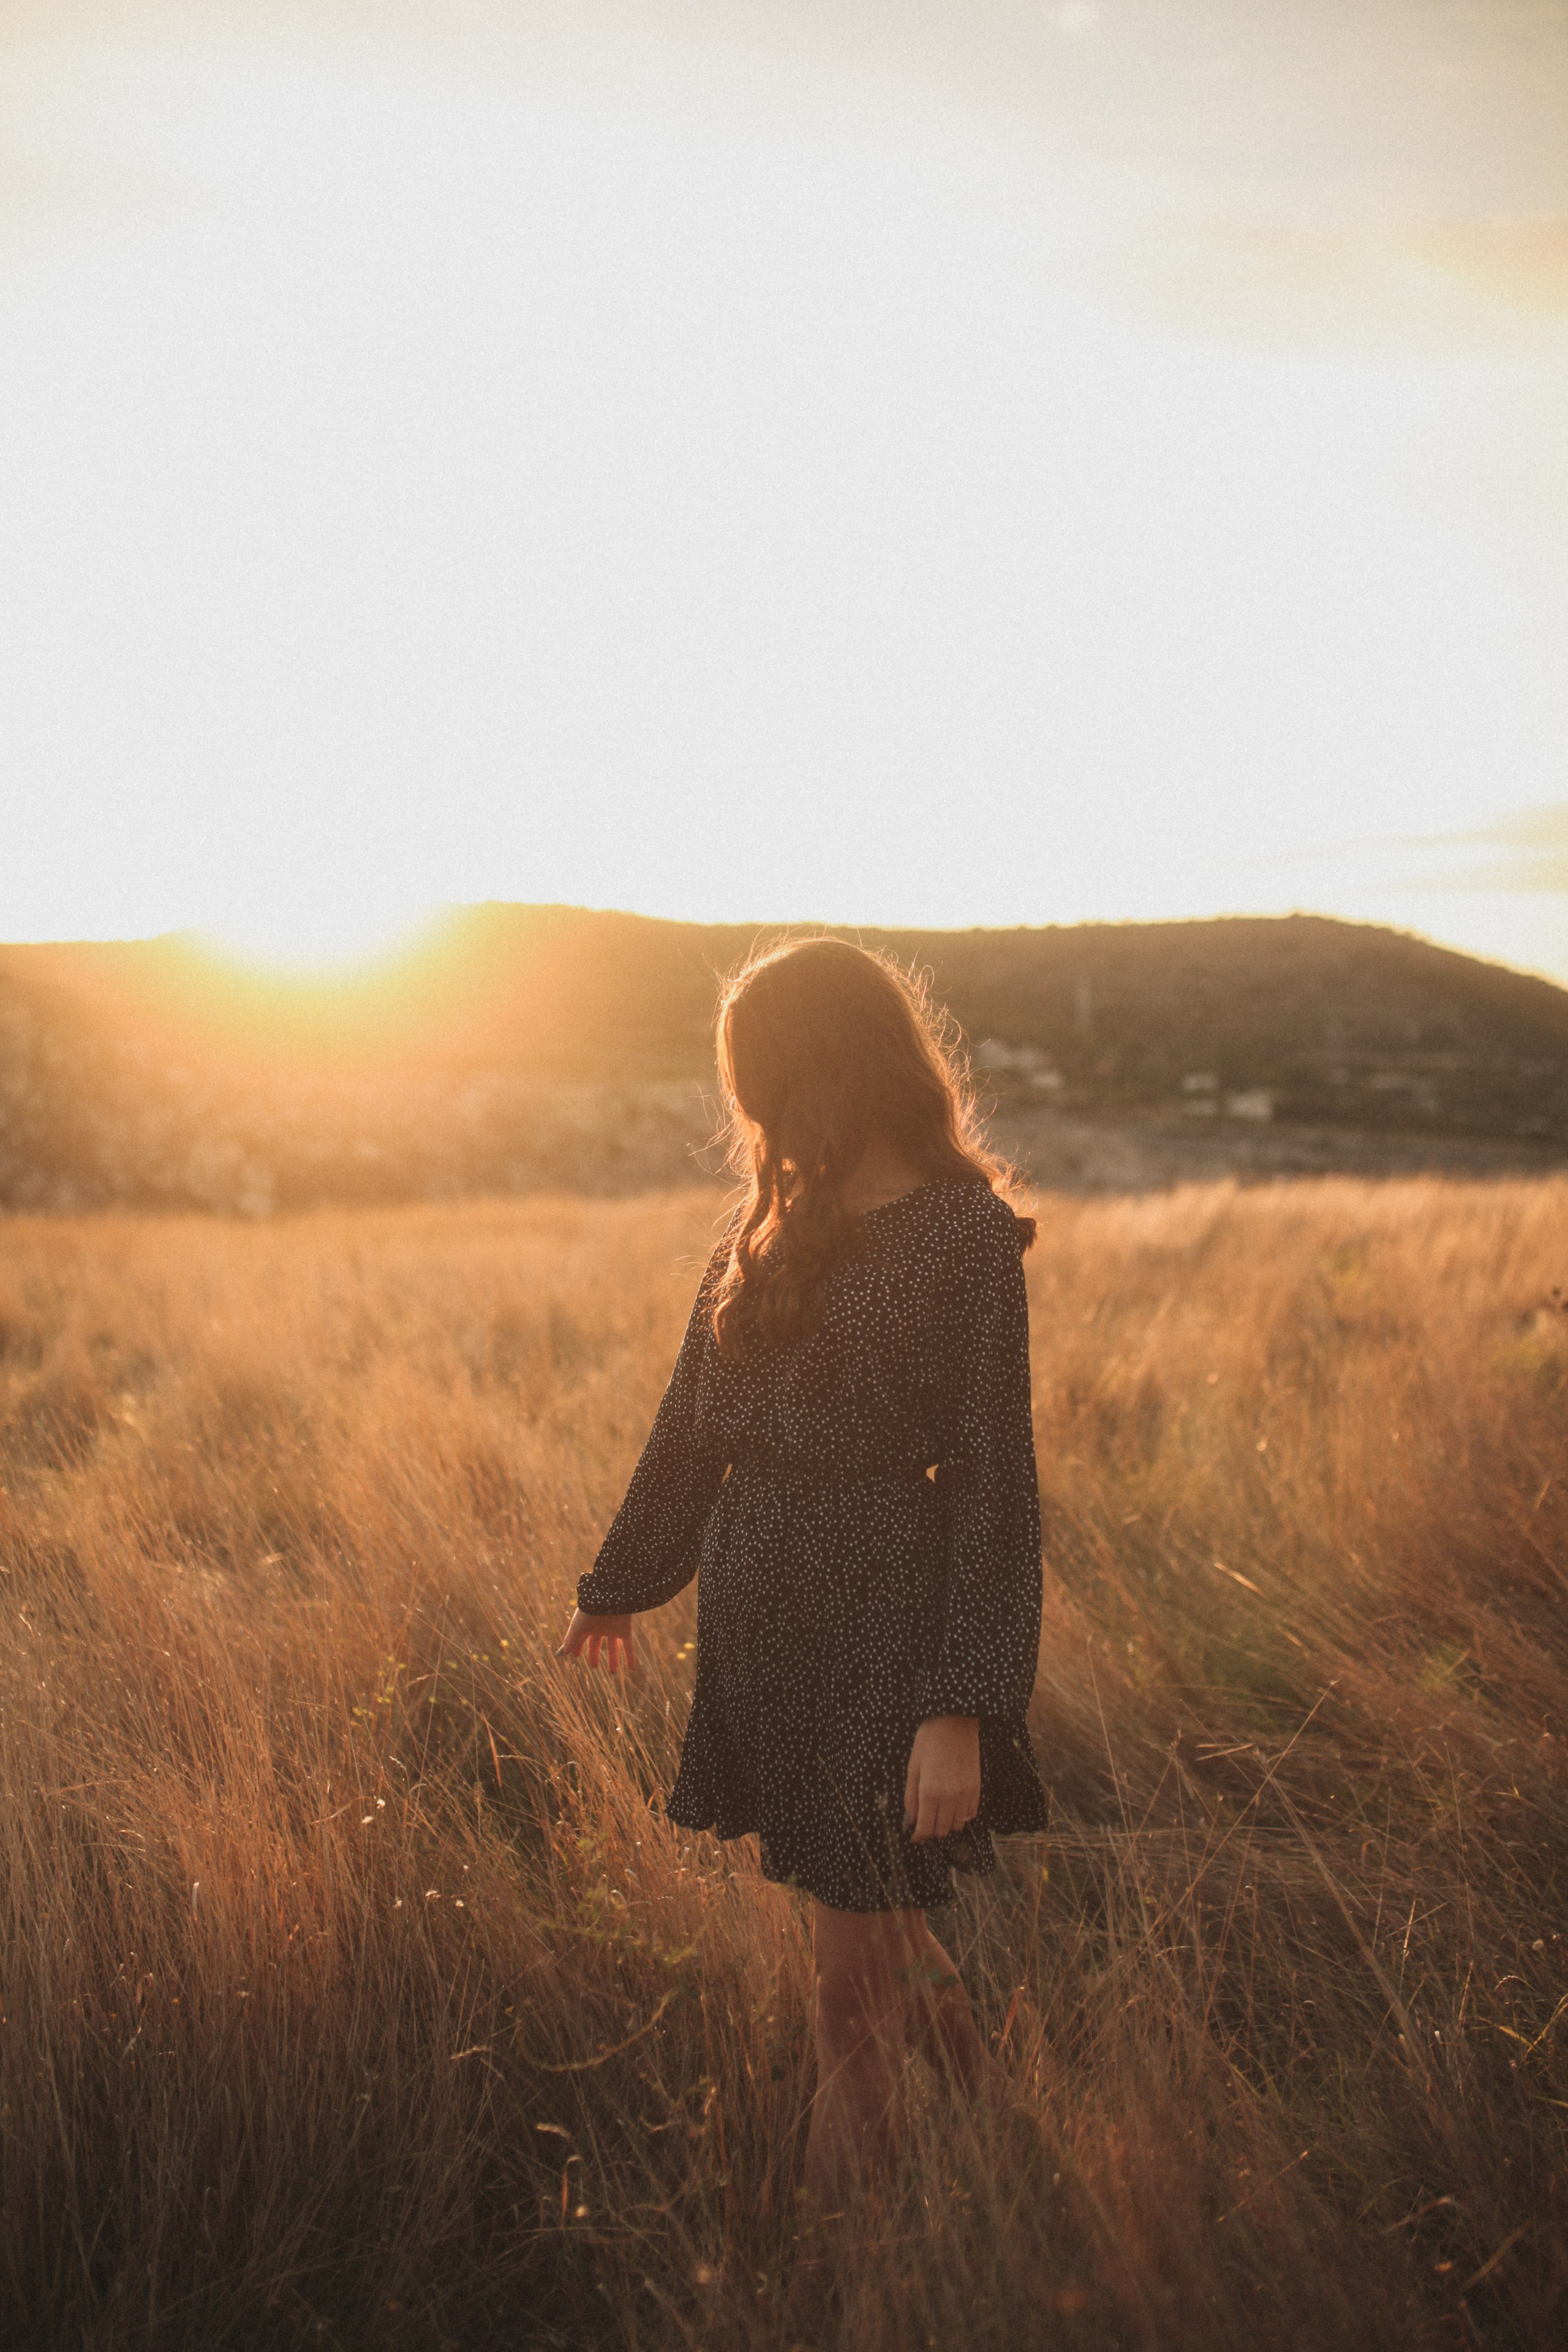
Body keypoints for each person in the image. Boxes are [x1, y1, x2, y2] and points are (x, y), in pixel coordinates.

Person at [557, 935, 1047, 2277]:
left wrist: (960, 1706)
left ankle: (837, 2282)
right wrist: (619, 1586)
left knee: (847, 1998)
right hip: (764, 1620)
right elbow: (690, 1426)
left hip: (887, 1621)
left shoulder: (961, 1235)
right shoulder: (768, 1224)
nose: (748, 1106)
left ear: (816, 1063)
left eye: (757, 1074)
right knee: (879, 1918)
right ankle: (1013, 2133)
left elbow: (993, 1485)